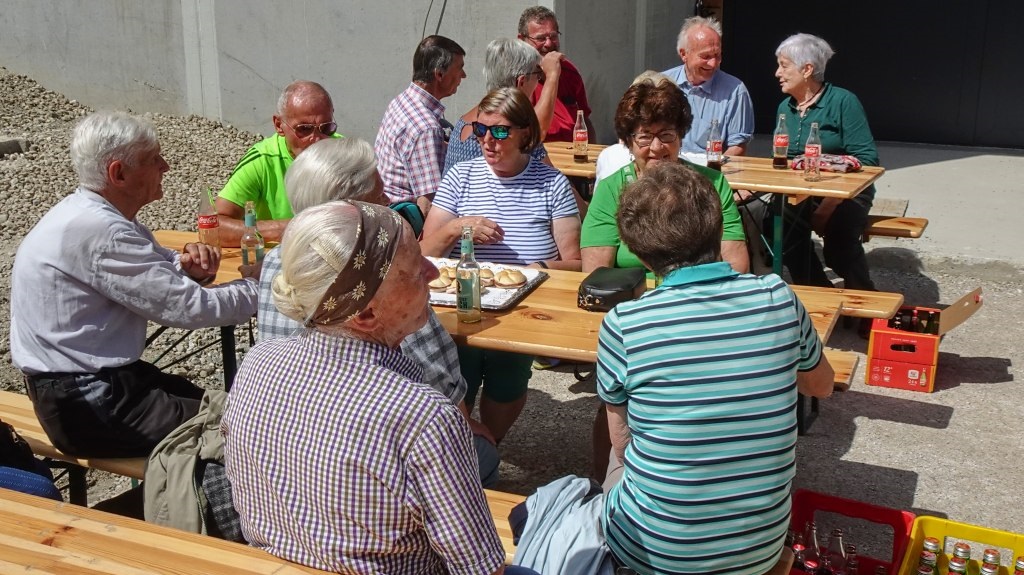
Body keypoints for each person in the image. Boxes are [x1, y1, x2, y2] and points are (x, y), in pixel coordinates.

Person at [224, 201, 537, 575]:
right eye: (415, 270)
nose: (432, 271)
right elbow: (479, 569)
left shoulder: (258, 362)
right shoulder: (424, 416)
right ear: (367, 314)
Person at [598, 161, 835, 575]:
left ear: (638, 250)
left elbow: (622, 443)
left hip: (657, 553)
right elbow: (822, 386)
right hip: (758, 550)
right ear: (717, 227)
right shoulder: (777, 297)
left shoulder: (624, 324)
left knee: (612, 469)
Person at [10, 111, 259, 458]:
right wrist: (263, 289)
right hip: (89, 403)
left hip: (90, 388)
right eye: (153, 159)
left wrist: (188, 268)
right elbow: (189, 307)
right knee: (242, 429)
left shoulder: (92, 214)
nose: (165, 166)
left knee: (230, 408)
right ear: (119, 173)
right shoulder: (101, 231)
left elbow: (160, 266)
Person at [256, 137, 500, 486]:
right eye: (380, 197)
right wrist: (464, 422)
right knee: (481, 452)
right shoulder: (384, 277)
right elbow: (439, 379)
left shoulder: (274, 261)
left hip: (289, 431)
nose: (389, 202)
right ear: (351, 210)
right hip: (368, 446)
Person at [422, 87, 581, 443]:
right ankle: (464, 448)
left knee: (506, 384)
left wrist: (539, 268)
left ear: (525, 132)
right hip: (461, 305)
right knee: (456, 380)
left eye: (499, 130)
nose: (487, 141)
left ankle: (487, 446)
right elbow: (425, 253)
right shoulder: (461, 177)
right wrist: (457, 227)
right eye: (481, 130)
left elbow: (577, 263)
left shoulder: (551, 184)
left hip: (523, 311)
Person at [582, 78, 749, 276]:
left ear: (681, 136)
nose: (657, 147)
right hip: (635, 293)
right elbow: (596, 274)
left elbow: (737, 266)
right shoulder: (611, 189)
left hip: (702, 291)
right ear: (628, 142)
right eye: (645, 137)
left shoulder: (712, 183)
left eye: (666, 135)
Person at [772, 33, 879, 291]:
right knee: (775, 229)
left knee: (840, 244)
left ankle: (864, 299)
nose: (777, 73)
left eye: (784, 66)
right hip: (801, 191)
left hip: (848, 193)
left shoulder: (843, 102)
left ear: (807, 69)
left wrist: (828, 205)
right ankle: (821, 294)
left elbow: (867, 160)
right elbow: (783, 161)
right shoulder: (785, 108)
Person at [595, 17, 755, 181]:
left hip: (706, 174)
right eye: (706, 56)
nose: (713, 63)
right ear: (684, 54)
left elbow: (738, 147)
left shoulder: (735, 91)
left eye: (718, 55)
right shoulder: (660, 84)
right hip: (659, 169)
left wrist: (706, 175)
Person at [216, 81, 341, 245]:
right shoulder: (262, 160)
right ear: (279, 125)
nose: (317, 139)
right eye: (304, 129)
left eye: (326, 128)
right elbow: (215, 226)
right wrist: (290, 229)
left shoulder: (345, 155)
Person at [375, 35, 466, 217]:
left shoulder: (402, 101)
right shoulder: (426, 127)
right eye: (459, 68)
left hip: (388, 213)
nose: (463, 75)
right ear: (439, 74)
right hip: (408, 221)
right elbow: (429, 205)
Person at [443, 37, 554, 176]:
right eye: (537, 76)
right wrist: (553, 76)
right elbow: (552, 179)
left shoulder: (463, 123)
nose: (538, 82)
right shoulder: (519, 133)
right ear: (521, 82)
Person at [517, 6, 594, 142]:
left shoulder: (569, 71)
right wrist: (552, 76)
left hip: (573, 151)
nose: (548, 44)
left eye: (553, 36)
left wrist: (593, 151)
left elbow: (584, 119)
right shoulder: (517, 76)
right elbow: (533, 134)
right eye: (540, 38)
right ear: (521, 40)